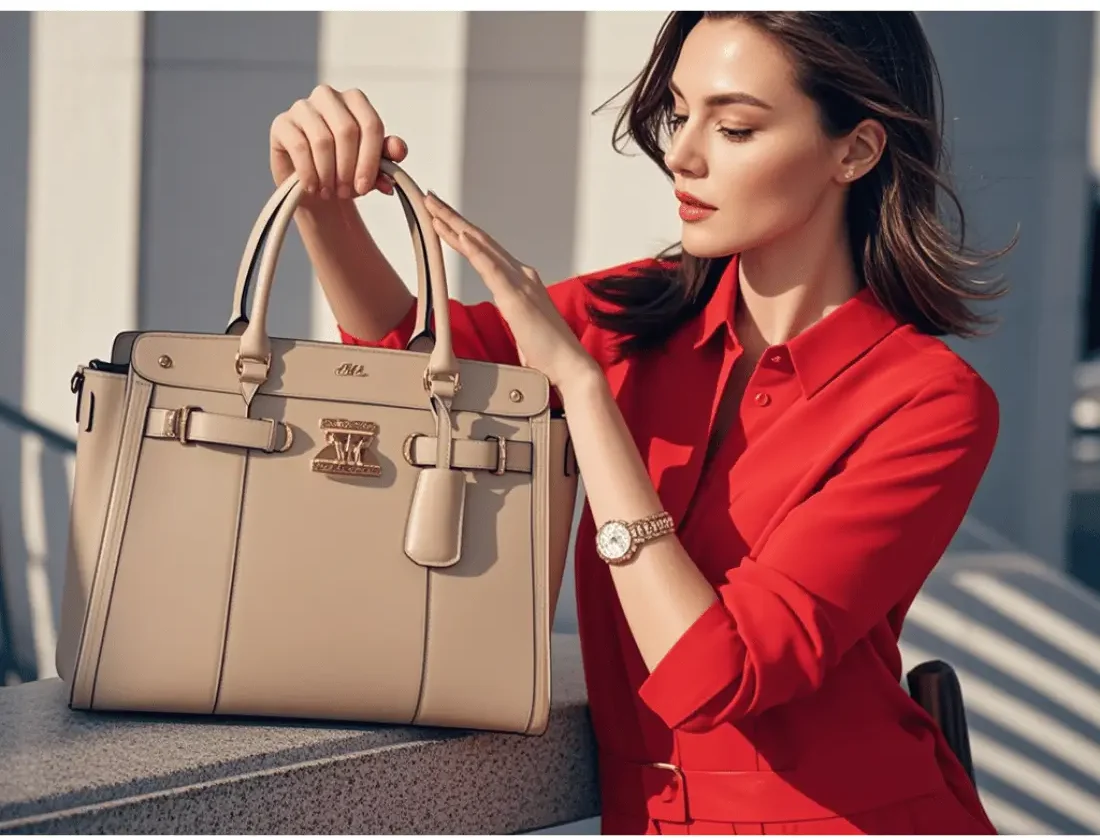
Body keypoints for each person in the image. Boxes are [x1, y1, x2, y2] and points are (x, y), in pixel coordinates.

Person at [269, 11, 1008, 835]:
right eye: (677, 113)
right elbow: (415, 369)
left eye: (733, 127)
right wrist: (324, 206)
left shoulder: (929, 403)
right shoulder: (637, 313)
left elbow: (715, 674)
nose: (684, 155)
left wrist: (584, 395)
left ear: (856, 151)